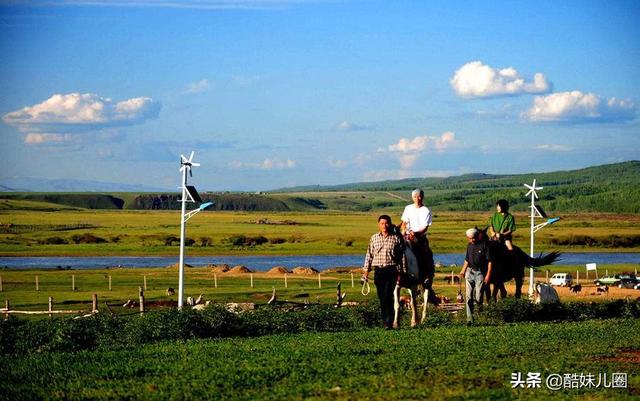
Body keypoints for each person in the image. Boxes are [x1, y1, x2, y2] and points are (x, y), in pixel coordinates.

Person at [363, 215, 406, 329]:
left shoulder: (396, 238)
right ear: (379, 225)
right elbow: (369, 255)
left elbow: (401, 256)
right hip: (378, 271)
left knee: (387, 295)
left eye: (386, 223)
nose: (384, 226)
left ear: (390, 224)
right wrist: (366, 272)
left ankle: (388, 322)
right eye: (382, 223)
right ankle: (385, 321)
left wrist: (401, 272)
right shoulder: (374, 238)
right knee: (381, 297)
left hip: (391, 270)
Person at [400, 189, 436, 296]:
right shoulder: (408, 208)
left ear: (423, 197)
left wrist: (415, 233)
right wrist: (403, 231)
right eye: (415, 196)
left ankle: (426, 276)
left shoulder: (426, 210)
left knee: (425, 253)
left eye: (419, 196)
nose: (417, 198)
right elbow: (403, 222)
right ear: (412, 197)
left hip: (419, 237)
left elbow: (425, 228)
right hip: (406, 235)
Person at [459, 228, 493, 324]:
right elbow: (467, 260)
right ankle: (469, 319)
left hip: (480, 273)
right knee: (468, 296)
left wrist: (488, 275)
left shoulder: (484, 246)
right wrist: (462, 270)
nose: (472, 240)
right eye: (470, 238)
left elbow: (490, 261)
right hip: (469, 272)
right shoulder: (469, 246)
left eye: (473, 238)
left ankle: (479, 315)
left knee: (479, 296)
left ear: (477, 236)